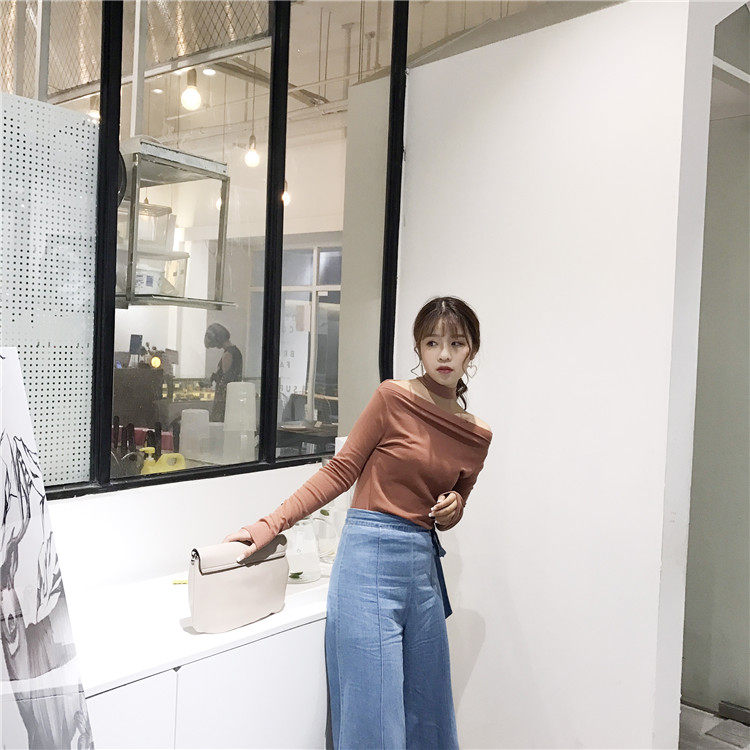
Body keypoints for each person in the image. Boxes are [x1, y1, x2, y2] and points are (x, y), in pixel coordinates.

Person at [222, 296, 492, 749]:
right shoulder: (393, 398)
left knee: (428, 717)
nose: (444, 355)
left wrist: (454, 507)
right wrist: (270, 524)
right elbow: (340, 470)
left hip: (423, 574)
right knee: (372, 720)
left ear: (472, 351)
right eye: (432, 343)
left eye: (456, 343)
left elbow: (457, 499)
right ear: (418, 348)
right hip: (368, 565)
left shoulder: (477, 435)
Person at [203, 323, 243, 422]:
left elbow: (225, 380)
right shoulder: (236, 351)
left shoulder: (228, 353)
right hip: (232, 397)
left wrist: (214, 379)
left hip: (224, 399)